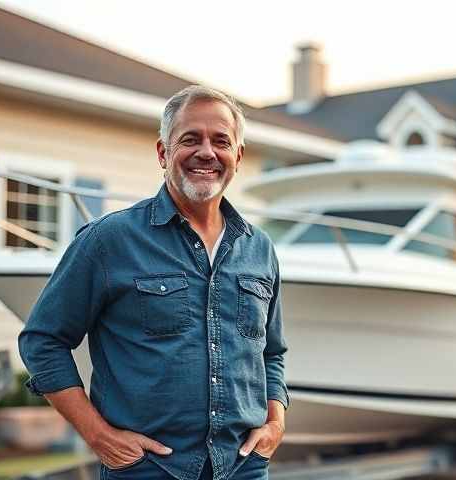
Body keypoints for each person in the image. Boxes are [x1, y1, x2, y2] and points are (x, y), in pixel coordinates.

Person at [18, 85, 288, 480]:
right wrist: (99, 436)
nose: (207, 152)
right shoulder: (109, 240)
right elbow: (42, 341)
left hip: (243, 467)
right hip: (148, 469)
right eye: (190, 139)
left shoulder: (260, 249)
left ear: (238, 157)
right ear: (163, 153)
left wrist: (275, 423)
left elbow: (272, 353)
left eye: (221, 141)